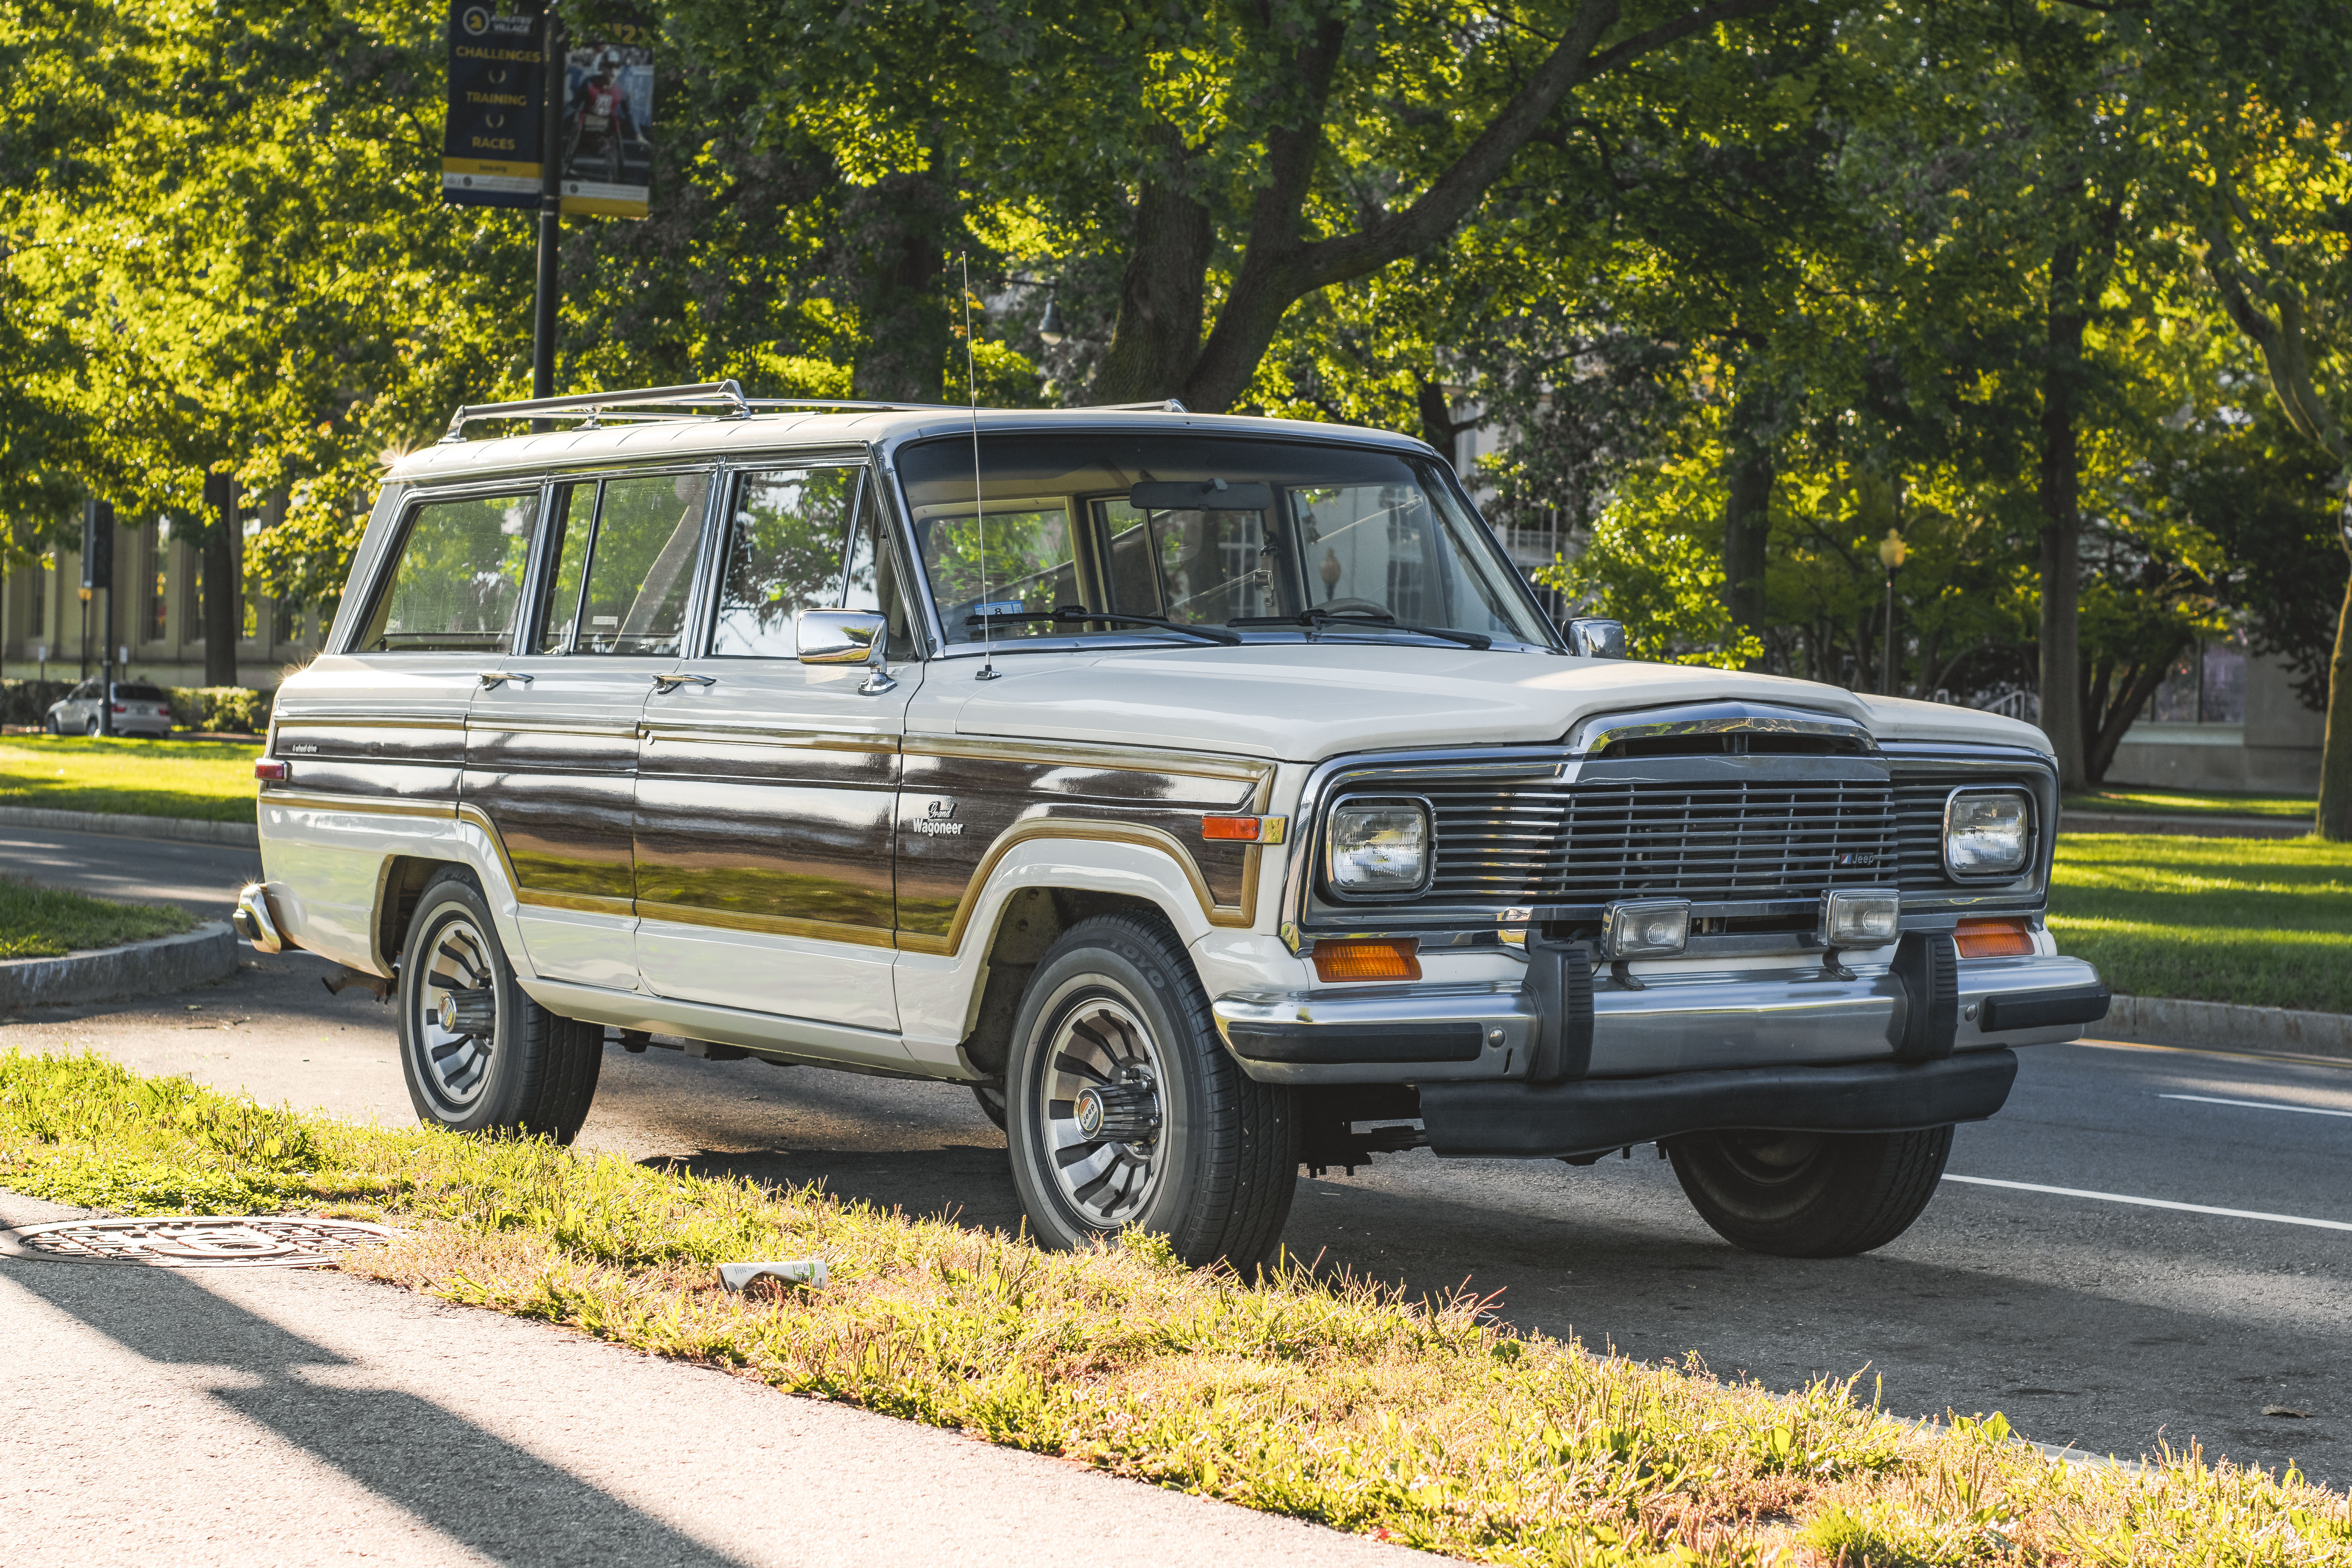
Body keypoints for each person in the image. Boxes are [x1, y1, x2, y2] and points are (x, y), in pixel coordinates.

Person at [563, 52, 641, 184]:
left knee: (615, 123)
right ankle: (565, 166)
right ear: (602, 68)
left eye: (616, 67)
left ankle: (617, 177)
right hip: (586, 127)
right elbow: (574, 105)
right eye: (609, 67)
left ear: (620, 70)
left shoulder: (623, 89)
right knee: (578, 119)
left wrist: (638, 134)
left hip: (607, 129)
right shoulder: (589, 84)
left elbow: (630, 114)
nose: (612, 71)